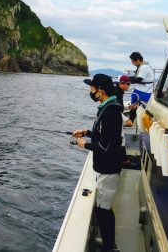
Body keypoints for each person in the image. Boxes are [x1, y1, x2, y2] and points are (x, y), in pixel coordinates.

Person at [72, 74, 122, 252]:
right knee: (104, 209)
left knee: (104, 210)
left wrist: (83, 144)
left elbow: (104, 146)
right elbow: (103, 135)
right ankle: (110, 244)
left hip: (108, 170)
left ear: (100, 91)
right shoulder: (106, 107)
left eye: (91, 88)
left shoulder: (112, 112)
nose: (90, 91)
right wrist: (86, 132)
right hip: (104, 168)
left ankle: (109, 247)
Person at [128, 52, 155, 121]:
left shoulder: (144, 67)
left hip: (144, 90)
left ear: (137, 60)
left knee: (142, 108)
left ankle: (140, 122)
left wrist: (128, 81)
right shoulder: (140, 66)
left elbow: (139, 79)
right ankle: (131, 121)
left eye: (133, 61)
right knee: (133, 105)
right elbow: (136, 78)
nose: (132, 63)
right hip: (138, 89)